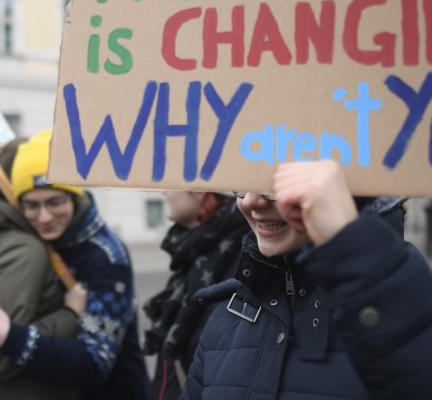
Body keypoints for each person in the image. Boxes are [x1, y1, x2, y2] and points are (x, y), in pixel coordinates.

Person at [183, 160, 432, 400]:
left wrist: (349, 242)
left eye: (274, 184)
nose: (250, 201)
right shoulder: (227, 315)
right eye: (244, 182)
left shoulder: (407, 300)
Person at [0, 130, 151, 400]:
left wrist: (11, 337)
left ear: (74, 198)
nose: (44, 217)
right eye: (32, 205)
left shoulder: (106, 258)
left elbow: (94, 363)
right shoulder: (37, 231)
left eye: (55, 202)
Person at [0, 137, 82, 400]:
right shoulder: (24, 250)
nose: (44, 215)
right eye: (33, 204)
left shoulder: (16, 237)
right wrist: (70, 314)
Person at [143, 190, 248, 400]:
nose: (165, 191)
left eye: (175, 184)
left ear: (202, 192)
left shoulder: (242, 255)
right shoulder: (195, 249)